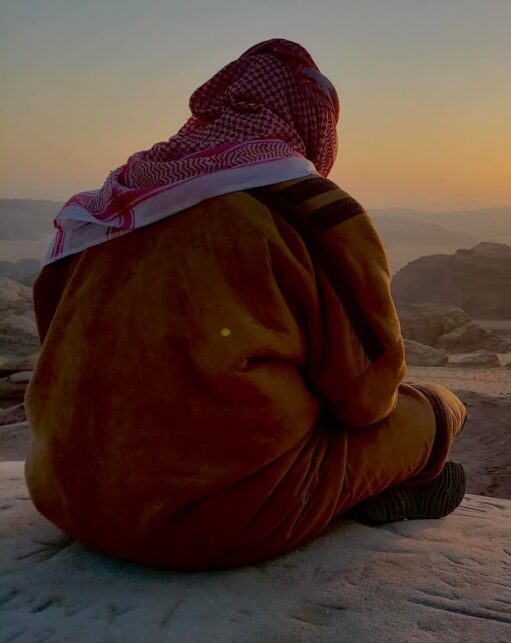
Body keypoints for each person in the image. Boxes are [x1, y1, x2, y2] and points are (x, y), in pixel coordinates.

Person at [24, 39, 469, 570]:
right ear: (315, 121)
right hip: (212, 520)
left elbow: (55, 346)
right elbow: (367, 399)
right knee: (439, 409)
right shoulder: (310, 209)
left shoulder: (105, 208)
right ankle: (364, 493)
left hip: (65, 497)